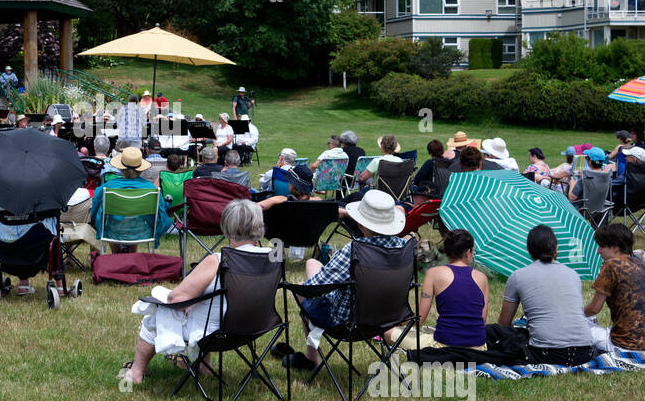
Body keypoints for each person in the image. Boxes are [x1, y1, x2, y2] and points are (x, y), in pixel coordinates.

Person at [119, 198, 269, 384]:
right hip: (255, 326)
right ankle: (205, 368)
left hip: (216, 332)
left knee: (155, 314)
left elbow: (176, 299)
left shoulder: (218, 260)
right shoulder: (270, 258)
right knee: (205, 305)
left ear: (226, 227)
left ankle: (135, 373)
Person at [284, 191, 407, 370]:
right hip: (389, 317)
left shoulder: (354, 250)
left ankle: (312, 359)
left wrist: (305, 286)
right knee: (312, 263)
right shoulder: (405, 248)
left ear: (360, 224)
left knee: (303, 289)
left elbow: (316, 286)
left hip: (348, 322)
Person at [494, 225, 595, 365]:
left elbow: (504, 324)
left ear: (529, 250)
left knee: (493, 331)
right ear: (556, 248)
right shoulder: (573, 275)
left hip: (546, 355)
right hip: (584, 353)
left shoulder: (518, 276)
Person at [585, 223, 645, 354]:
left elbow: (594, 308)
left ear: (615, 248)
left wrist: (575, 315)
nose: (598, 251)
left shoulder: (611, 266)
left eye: (601, 246)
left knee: (577, 324)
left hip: (625, 346)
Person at [409, 229, 490, 350]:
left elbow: (418, 320)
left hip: (443, 345)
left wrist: (399, 322)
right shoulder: (482, 278)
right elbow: (481, 321)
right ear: (469, 252)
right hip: (478, 347)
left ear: (446, 251)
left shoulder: (433, 274)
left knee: (390, 332)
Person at [89, 146, 165, 253]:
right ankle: (132, 255)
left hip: (114, 231)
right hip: (142, 231)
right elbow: (161, 214)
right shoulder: (151, 189)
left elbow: (95, 210)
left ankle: (116, 256)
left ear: (121, 167)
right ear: (140, 168)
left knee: (113, 222)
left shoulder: (107, 187)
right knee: (134, 221)